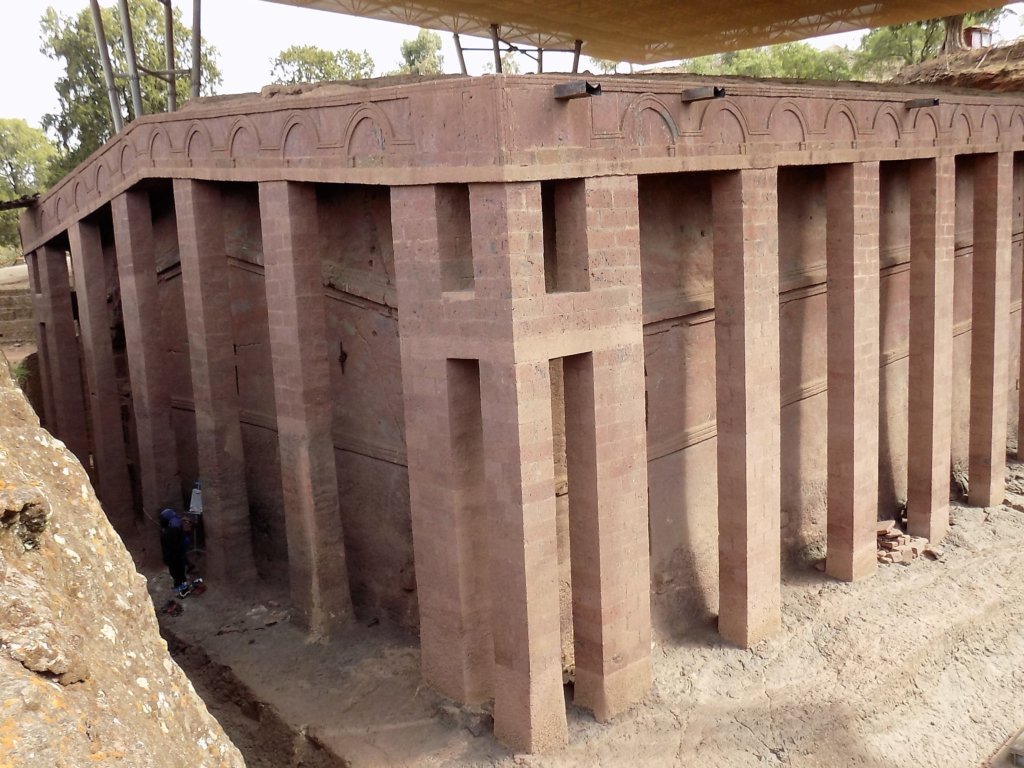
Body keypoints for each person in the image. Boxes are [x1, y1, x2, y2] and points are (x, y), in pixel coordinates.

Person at [159, 508, 189, 597]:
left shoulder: (164, 531)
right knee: (180, 573)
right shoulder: (173, 531)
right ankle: (184, 589)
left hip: (170, 557)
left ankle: (178, 585)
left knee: (175, 572)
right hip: (177, 556)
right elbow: (184, 541)